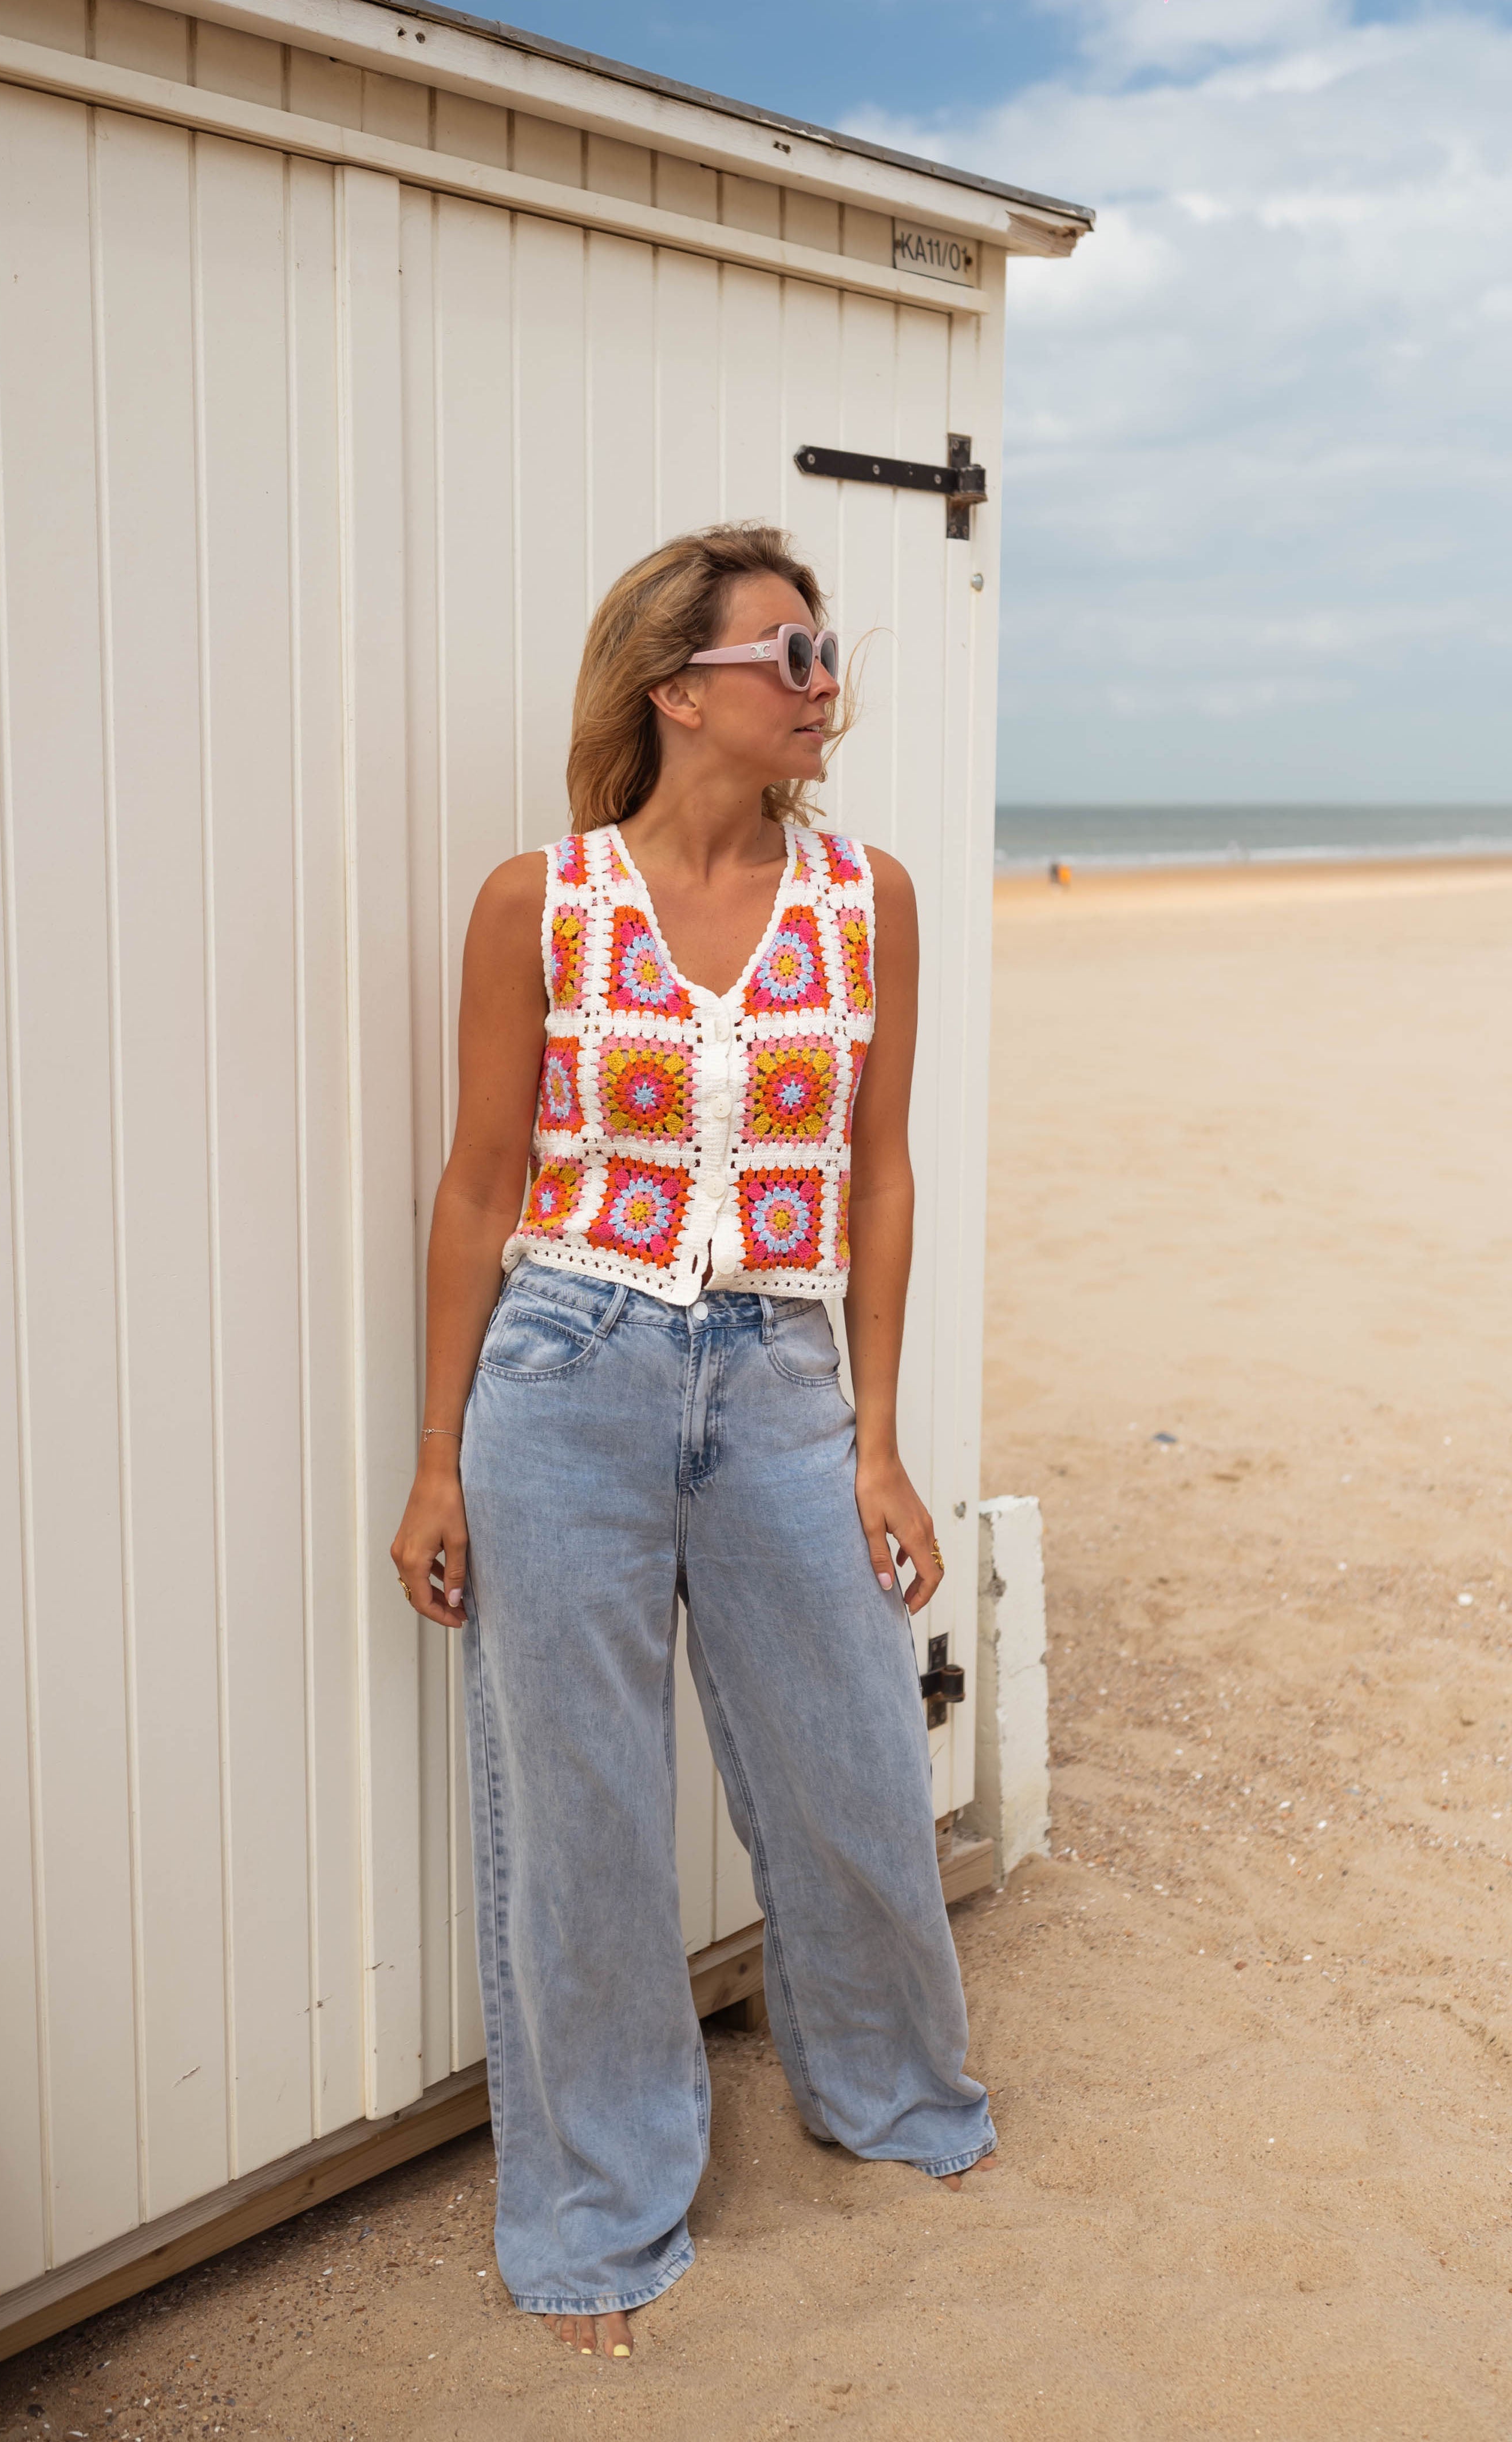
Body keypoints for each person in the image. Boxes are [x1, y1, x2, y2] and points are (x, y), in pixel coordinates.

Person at [390, 524, 996, 2364]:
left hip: (783, 1374)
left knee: (853, 1759)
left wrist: (878, 1440)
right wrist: (436, 1459)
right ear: (680, 689)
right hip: (564, 1368)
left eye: (829, 653)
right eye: (791, 650)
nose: (828, 681)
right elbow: (481, 1182)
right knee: (575, 1810)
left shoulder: (867, 896)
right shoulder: (541, 902)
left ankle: (891, 2091)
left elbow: (879, 1175)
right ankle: (596, 2211)